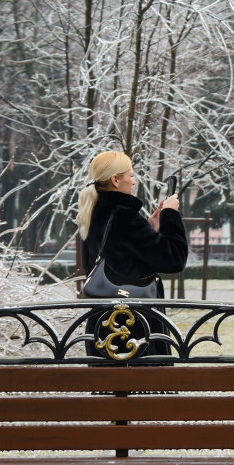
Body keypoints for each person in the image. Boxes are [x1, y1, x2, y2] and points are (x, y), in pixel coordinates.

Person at [77, 151, 189, 355]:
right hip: (133, 329)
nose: (134, 181)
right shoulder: (125, 217)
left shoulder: (92, 213)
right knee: (138, 384)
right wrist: (170, 215)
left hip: (103, 328)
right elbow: (174, 259)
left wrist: (148, 228)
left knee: (111, 386)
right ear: (115, 180)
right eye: (130, 175)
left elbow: (116, 259)